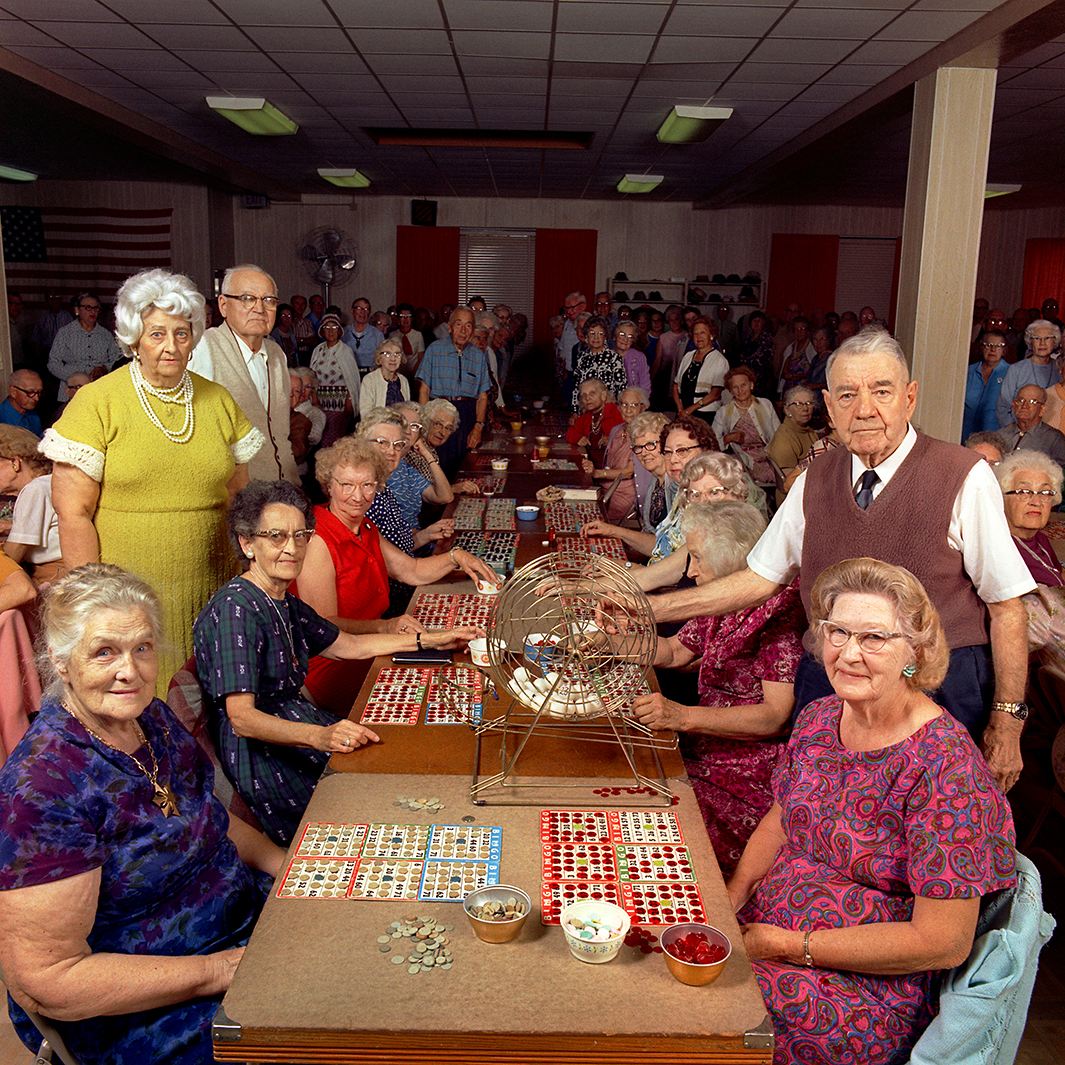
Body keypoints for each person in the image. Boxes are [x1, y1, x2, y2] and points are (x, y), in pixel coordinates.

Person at [648, 327, 1035, 794]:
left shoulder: (963, 475)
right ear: (829, 407)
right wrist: (647, 609)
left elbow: (1007, 605)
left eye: (882, 391)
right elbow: (758, 578)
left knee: (916, 824)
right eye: (848, 394)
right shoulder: (816, 477)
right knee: (816, 810)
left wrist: (1007, 720)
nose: (865, 408)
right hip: (832, 676)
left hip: (935, 685)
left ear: (909, 398)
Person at [729, 558, 1016, 1065]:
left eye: (874, 638)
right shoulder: (820, 717)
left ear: (916, 651)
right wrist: (733, 896)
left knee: (707, 1018)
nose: (849, 654)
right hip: (767, 931)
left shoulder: (946, 768)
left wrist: (789, 946)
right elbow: (782, 816)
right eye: (837, 632)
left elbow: (942, 943)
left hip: (858, 985)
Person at [0, 564, 284, 1065]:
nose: (129, 670)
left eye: (143, 648)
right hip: (148, 1003)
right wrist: (219, 971)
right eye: (104, 651)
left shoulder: (148, 716)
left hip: (239, 929)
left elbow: (209, 818)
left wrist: (288, 866)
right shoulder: (42, 787)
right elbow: (49, 981)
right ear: (61, 662)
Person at [194, 481, 480, 843]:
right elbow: (243, 719)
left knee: (391, 769)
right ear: (247, 543)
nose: (292, 548)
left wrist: (429, 640)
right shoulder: (235, 609)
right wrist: (322, 736)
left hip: (298, 722)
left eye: (301, 536)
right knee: (366, 810)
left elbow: (347, 645)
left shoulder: (280, 598)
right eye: (276, 537)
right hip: (265, 750)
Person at [43, 268, 264, 697]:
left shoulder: (217, 400)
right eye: (157, 333)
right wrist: (95, 600)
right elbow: (73, 514)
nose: (171, 346)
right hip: (129, 595)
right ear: (132, 338)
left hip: (212, 582)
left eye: (182, 334)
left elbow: (240, 498)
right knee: (141, 705)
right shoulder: (97, 401)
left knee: (213, 702)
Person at [631, 502, 804, 873]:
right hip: (703, 747)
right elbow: (675, 652)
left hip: (744, 772)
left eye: (695, 559)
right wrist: (601, 642)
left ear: (729, 560)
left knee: (648, 815)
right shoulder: (722, 600)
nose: (690, 571)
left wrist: (681, 716)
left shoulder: (780, 613)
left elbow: (774, 718)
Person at [295, 437, 497, 713]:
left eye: (367, 485)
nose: (358, 495)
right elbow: (325, 624)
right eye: (346, 485)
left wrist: (455, 556)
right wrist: (384, 627)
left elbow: (411, 570)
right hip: (336, 666)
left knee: (456, 680)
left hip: (375, 648)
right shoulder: (318, 539)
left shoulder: (364, 526)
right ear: (328, 485)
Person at [188, 263, 298, 484]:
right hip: (233, 495)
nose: (259, 309)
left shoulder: (277, 354)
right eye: (247, 298)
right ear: (223, 305)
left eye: (268, 300)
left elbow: (278, 431)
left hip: (283, 488)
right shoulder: (203, 348)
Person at [416, 308, 488, 479]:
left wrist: (478, 427)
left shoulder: (478, 356)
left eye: (468, 326)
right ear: (449, 327)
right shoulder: (434, 350)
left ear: (473, 329)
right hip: (439, 416)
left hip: (467, 416)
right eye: (458, 324)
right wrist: (424, 425)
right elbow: (424, 390)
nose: (463, 331)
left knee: (465, 468)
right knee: (435, 468)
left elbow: (483, 397)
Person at [0, 426, 60, 582]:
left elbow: (15, 552)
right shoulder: (48, 482)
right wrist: (10, 526)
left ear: (15, 462)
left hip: (50, 574)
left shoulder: (34, 489)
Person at [582, 387, 646, 521]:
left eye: (634, 405)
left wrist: (597, 473)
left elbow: (628, 472)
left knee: (592, 520)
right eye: (624, 404)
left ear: (643, 408)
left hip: (625, 495)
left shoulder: (644, 436)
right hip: (605, 489)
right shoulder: (616, 430)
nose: (628, 410)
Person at [388, 400, 455, 526]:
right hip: (402, 542)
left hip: (416, 538)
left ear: (420, 433)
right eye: (403, 423)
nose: (408, 431)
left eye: (414, 426)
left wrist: (427, 454)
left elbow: (445, 496)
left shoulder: (407, 469)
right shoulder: (383, 464)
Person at [713, 365, 780, 489]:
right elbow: (712, 443)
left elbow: (778, 434)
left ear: (751, 385)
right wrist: (727, 438)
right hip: (743, 460)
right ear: (730, 390)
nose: (740, 390)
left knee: (784, 478)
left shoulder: (765, 404)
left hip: (768, 456)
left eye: (743, 385)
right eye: (735, 387)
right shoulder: (723, 412)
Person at [47, 293, 121, 401]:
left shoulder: (106, 335)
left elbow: (117, 360)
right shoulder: (65, 333)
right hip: (72, 393)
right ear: (77, 310)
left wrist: (104, 368)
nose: (93, 312)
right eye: (88, 308)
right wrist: (74, 379)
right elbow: (53, 363)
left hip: (99, 389)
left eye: (96, 308)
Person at [996, 319, 1063, 427]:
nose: (1042, 343)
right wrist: (1015, 433)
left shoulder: (1060, 370)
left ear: (1054, 342)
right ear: (1030, 342)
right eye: (1037, 338)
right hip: (1019, 431)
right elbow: (1002, 408)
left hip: (1052, 432)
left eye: (1047, 338)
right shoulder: (1016, 369)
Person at [673, 316, 728, 422]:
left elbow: (715, 393)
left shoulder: (719, 360)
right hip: (682, 413)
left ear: (711, 335)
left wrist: (690, 410)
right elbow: (675, 386)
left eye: (703, 332)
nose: (699, 337)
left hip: (706, 415)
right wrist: (681, 409)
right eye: (695, 333)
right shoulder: (688, 356)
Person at [767, 386, 818, 499]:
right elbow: (789, 483)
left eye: (809, 403)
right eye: (798, 404)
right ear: (787, 410)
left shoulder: (809, 431)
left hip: (812, 489)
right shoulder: (784, 437)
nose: (805, 408)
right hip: (794, 498)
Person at [999, 384, 1065, 464]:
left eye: (1032, 402)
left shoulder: (1054, 439)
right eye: (1021, 401)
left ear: (1042, 410)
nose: (1024, 406)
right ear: (1014, 407)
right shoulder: (1000, 436)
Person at [571, 316, 626, 411]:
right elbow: (577, 387)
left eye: (600, 334)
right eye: (592, 333)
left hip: (607, 408)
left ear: (605, 337)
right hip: (586, 407)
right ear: (586, 336)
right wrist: (575, 411)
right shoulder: (582, 357)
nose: (596, 337)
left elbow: (621, 387)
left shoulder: (614, 357)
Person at [963, 329, 1010, 439]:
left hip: (996, 436)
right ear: (981, 348)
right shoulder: (968, 372)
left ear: (1004, 350)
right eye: (988, 345)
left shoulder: (1011, 373)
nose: (993, 349)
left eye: (998, 346)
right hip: (965, 434)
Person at [565, 378, 623, 455]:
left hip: (612, 464)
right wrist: (578, 438)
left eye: (592, 393)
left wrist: (613, 439)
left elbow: (628, 436)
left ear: (603, 395)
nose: (587, 398)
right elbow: (570, 432)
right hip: (590, 463)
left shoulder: (617, 412)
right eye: (584, 395)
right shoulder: (586, 416)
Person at [0, 369, 44, 436]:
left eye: (39, 392)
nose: (36, 398)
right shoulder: (2, 420)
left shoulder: (34, 416)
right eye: (30, 392)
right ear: (13, 392)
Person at [613, 320, 650, 395]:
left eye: (630, 337)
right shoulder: (607, 356)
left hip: (634, 400)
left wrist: (641, 402)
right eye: (622, 335)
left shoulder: (639, 356)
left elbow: (645, 383)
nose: (625, 339)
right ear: (614, 337)